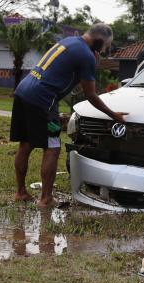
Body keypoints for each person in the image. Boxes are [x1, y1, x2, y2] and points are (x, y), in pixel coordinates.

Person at [10, 23, 127, 209]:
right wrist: (113, 115)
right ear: (98, 41)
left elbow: (72, 80)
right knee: (52, 148)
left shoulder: (71, 41)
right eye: (106, 45)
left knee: (25, 144)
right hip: (43, 100)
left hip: (24, 91)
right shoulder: (86, 55)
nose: (106, 50)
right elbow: (90, 95)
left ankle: (20, 192)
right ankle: (46, 199)